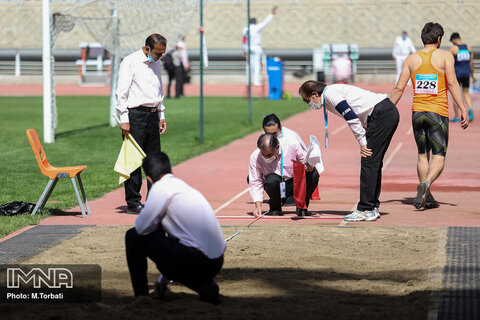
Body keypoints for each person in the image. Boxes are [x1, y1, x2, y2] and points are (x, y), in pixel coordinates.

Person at [125, 152, 226, 304]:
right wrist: (163, 279)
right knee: (163, 245)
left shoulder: (160, 188)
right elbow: (177, 238)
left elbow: (141, 229)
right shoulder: (183, 187)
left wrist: (156, 223)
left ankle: (141, 297)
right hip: (216, 261)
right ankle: (205, 288)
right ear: (170, 170)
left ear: (149, 179)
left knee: (132, 236)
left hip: (198, 261)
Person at [389, 22, 469, 210]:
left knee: (422, 156)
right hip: (438, 113)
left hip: (418, 113)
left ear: (423, 38)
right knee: (439, 157)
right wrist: (463, 107)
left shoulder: (411, 59)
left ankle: (428, 196)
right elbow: (452, 84)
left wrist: (385, 109)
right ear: (439, 39)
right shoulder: (445, 56)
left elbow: (399, 88)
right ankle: (426, 184)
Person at [299, 80, 399, 222]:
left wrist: (362, 143)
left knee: (369, 160)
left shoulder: (331, 94)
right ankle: (371, 206)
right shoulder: (329, 95)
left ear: (315, 94)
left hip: (382, 114)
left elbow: (351, 117)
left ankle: (366, 209)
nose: (307, 103)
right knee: (373, 162)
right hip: (382, 114)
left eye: (306, 100)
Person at [115, 34, 168, 214]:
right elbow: (121, 92)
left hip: (153, 115)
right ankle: (133, 202)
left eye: (162, 54)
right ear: (147, 48)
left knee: (154, 161)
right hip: (135, 115)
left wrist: (161, 113)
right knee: (134, 161)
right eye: (157, 53)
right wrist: (124, 118)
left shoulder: (157, 63)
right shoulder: (130, 62)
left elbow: (158, 89)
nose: (160, 57)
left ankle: (153, 200)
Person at [248, 133, 319, 217]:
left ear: (277, 147)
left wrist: (309, 166)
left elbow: (305, 161)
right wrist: (258, 206)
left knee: (313, 174)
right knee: (271, 180)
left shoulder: (292, 144)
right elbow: (256, 182)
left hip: (295, 183)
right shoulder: (255, 157)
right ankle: (275, 208)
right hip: (275, 185)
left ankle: (302, 206)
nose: (266, 158)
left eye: (269, 155)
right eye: (263, 155)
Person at [242, 7, 276, 86]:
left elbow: (243, 40)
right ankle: (256, 82)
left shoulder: (245, 29)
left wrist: (244, 50)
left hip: (247, 47)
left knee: (248, 65)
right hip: (256, 47)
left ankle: (248, 81)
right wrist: (271, 14)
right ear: (255, 22)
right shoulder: (257, 27)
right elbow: (265, 22)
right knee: (256, 64)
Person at [449, 32, 475, 122]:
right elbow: (471, 63)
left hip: (457, 74)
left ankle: (457, 116)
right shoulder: (469, 48)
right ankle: (470, 110)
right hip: (466, 74)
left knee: (456, 94)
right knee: (466, 93)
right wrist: (472, 75)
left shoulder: (453, 49)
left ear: (453, 40)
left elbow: (449, 64)